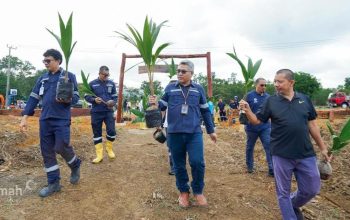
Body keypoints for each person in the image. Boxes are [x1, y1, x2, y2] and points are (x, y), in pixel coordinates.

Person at [239, 69, 331, 220]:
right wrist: (248, 110)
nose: (276, 84)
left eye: (280, 81)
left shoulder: (304, 99)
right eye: (275, 81)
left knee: (312, 189)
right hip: (281, 154)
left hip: (305, 153)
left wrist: (323, 148)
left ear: (291, 82)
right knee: (282, 193)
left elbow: (313, 125)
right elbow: (257, 121)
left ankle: (293, 204)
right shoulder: (271, 101)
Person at [149, 60, 217, 208]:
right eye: (178, 71)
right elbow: (162, 105)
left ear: (191, 73)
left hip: (194, 133)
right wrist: (154, 103)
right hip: (174, 133)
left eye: (183, 71)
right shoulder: (170, 88)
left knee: (197, 162)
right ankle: (183, 192)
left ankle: (198, 191)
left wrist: (211, 130)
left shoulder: (198, 89)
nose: (179, 73)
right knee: (178, 165)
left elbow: (205, 110)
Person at [19, 49, 81, 197]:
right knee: (47, 152)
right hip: (45, 119)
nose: (46, 63)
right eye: (44, 61)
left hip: (61, 118)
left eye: (49, 60)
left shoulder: (68, 76)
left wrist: (68, 99)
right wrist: (25, 117)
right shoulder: (42, 79)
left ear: (58, 61)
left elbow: (76, 97)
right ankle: (54, 183)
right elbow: (33, 98)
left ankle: (75, 164)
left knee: (61, 146)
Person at [84, 66, 117, 164]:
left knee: (112, 131)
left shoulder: (111, 84)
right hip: (96, 112)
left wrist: (113, 102)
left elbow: (115, 96)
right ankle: (99, 155)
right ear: (99, 73)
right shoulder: (92, 84)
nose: (106, 77)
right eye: (104, 75)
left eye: (108, 75)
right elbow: (86, 96)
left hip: (108, 111)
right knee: (97, 133)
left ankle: (109, 149)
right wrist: (94, 100)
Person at [245, 78, 273, 176]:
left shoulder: (269, 97)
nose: (264, 87)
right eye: (262, 85)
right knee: (250, 147)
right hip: (251, 127)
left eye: (265, 85)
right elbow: (242, 109)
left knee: (269, 146)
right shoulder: (249, 95)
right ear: (256, 85)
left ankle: (272, 169)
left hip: (265, 127)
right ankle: (249, 167)